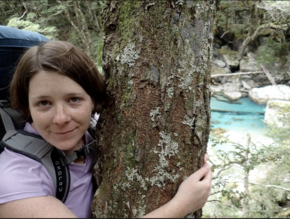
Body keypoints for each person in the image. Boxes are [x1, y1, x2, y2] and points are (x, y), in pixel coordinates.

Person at [0, 41, 212, 218]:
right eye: (44, 103)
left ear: (93, 101)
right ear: (27, 106)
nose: (61, 118)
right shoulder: (15, 178)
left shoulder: (96, 132)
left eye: (74, 99)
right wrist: (182, 206)